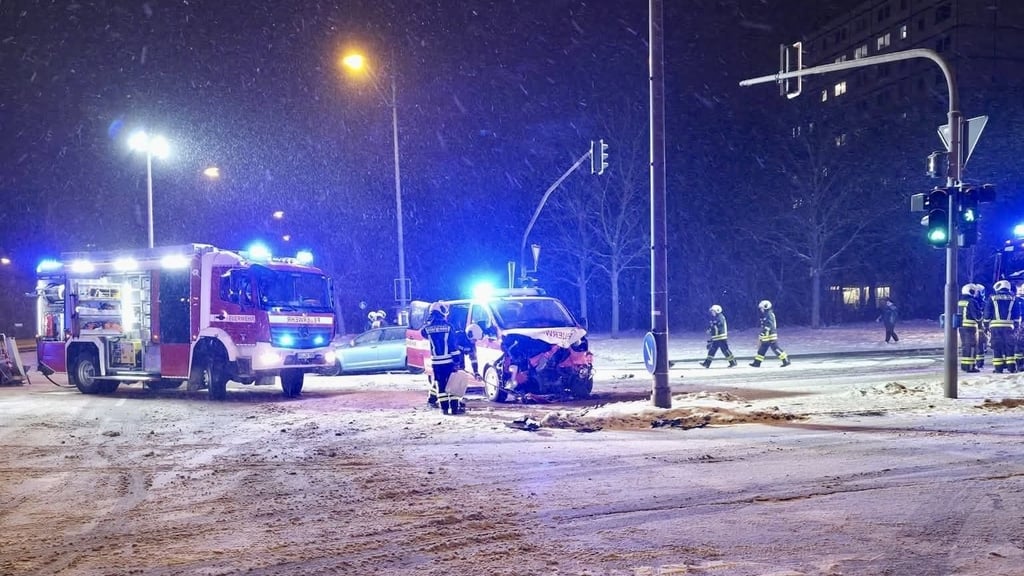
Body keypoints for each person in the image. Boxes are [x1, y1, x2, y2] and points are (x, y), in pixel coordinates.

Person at [420, 301, 463, 414]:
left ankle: (444, 409)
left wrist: (430, 322)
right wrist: (457, 361)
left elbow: (422, 333)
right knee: (452, 384)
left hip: (436, 362)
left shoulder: (427, 329)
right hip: (448, 361)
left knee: (441, 385)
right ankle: (454, 408)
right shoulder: (448, 327)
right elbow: (453, 345)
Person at [984, 280, 1016, 373]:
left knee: (997, 347)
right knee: (1009, 347)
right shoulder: (1013, 298)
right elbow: (1016, 313)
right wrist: (1016, 324)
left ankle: (998, 369)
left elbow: (987, 313)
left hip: (995, 327)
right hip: (1009, 326)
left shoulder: (992, 298)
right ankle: (1011, 367)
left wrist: (986, 325)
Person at [750, 300, 791, 368]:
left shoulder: (769, 314)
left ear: (766, 307)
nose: (761, 309)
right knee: (762, 349)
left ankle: (786, 360)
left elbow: (769, 325)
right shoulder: (766, 314)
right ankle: (757, 362)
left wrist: (764, 332)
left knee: (775, 348)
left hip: (771, 335)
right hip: (767, 335)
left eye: (762, 308)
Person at [957, 284, 981, 373]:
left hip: (962, 327)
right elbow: (977, 316)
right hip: (971, 327)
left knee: (965, 346)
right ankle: (970, 367)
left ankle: (964, 365)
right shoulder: (972, 301)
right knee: (972, 347)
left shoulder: (960, 301)